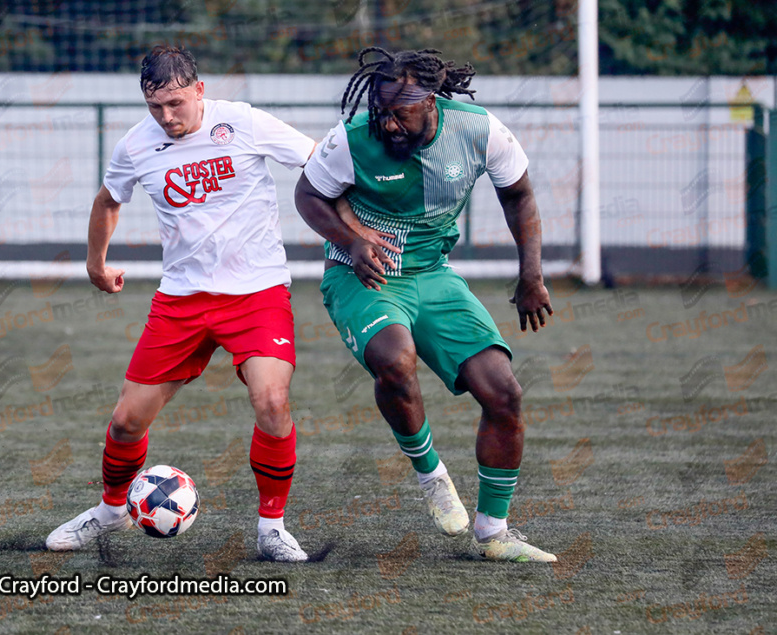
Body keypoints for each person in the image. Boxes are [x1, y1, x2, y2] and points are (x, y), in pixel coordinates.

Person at [46, 46, 316, 562]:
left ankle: (271, 527)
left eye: (175, 104)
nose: (166, 118)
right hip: (182, 300)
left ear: (199, 90)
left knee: (272, 403)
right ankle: (110, 511)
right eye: (155, 108)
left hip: (257, 294)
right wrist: (95, 264)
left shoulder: (243, 122)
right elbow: (108, 200)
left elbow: (319, 160)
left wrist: (351, 227)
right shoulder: (135, 145)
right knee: (127, 420)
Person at [294, 47, 558, 562]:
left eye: (402, 111)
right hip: (361, 275)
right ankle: (432, 475)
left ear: (432, 99)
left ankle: (494, 532)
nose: (388, 122)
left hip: (433, 276)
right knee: (395, 359)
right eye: (382, 110)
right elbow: (308, 196)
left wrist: (532, 276)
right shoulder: (352, 140)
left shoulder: (481, 132)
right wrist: (349, 241)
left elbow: (519, 195)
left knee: (504, 393)